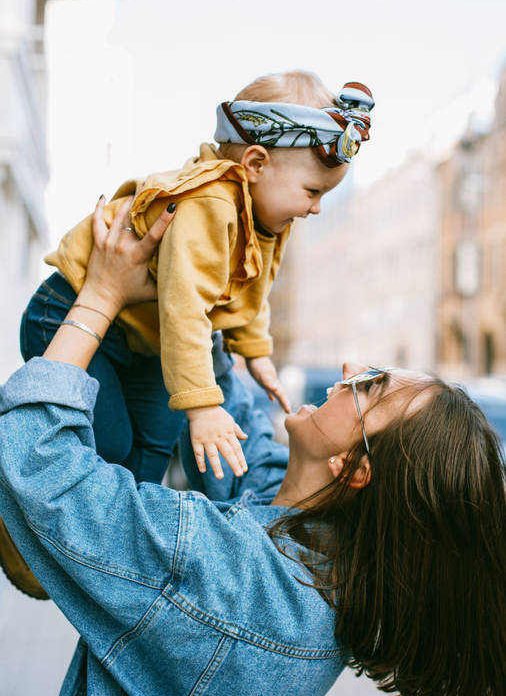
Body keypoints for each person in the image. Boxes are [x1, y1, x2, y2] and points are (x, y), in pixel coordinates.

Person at [0, 202, 504, 696]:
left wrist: (102, 295)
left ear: (353, 467)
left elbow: (41, 464)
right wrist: (200, 276)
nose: (348, 367)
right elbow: (244, 438)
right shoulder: (324, 555)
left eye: (370, 387)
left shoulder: (233, 573)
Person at [20, 71, 374, 486]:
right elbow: (185, 309)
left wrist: (255, 352)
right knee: (112, 442)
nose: (315, 208)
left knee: (155, 437)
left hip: (147, 340)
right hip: (68, 312)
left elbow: (252, 288)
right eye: (313, 191)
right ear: (255, 164)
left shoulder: (263, 218)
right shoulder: (209, 204)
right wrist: (203, 406)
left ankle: (128, 529)